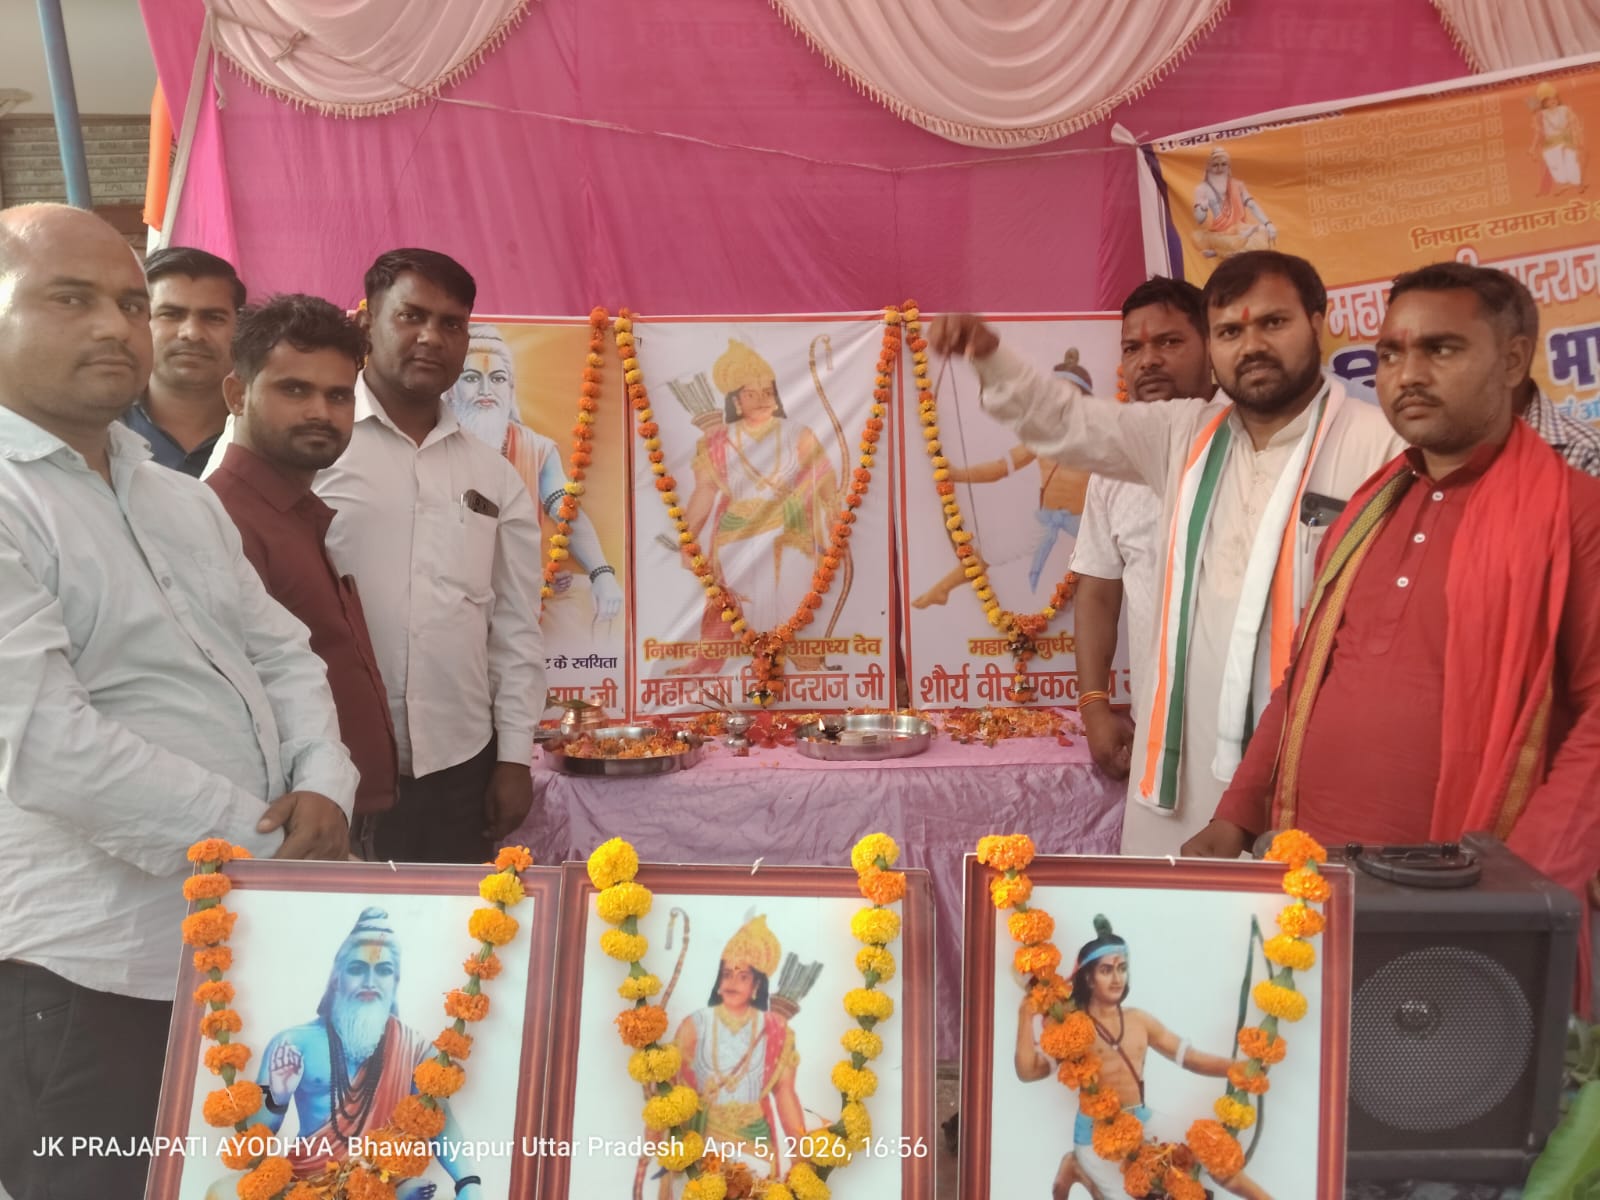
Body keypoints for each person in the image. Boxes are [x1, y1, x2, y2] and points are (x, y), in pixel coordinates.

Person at [0, 203, 355, 1200]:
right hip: (94, 970)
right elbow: (49, 746)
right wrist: (262, 841)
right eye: (70, 299)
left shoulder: (179, 496)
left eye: (127, 303)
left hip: (244, 943)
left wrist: (324, 781)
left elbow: (280, 652)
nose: (116, 327)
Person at [1186, 261, 1600, 1017]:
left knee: (1436, 1085)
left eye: (1441, 349)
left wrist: (1524, 881)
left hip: (1462, 908)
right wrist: (1236, 812)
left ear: (1513, 359)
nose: (1407, 374)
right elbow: (1307, 675)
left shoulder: (1575, 515)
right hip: (1310, 881)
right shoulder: (1368, 508)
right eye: (1389, 353)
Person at [928, 252, 1403, 856]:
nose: (1251, 346)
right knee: (1163, 913)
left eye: (1273, 323)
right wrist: (990, 356)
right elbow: (1067, 423)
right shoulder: (1182, 434)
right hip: (1178, 771)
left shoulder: (1382, 447)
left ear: (1317, 322)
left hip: (1308, 774)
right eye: (1230, 332)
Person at [307, 250, 545, 865]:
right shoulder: (309, 441)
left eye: (451, 323)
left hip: (460, 770)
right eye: (411, 316)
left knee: (460, 925)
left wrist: (514, 757)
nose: (431, 337)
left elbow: (515, 624)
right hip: (325, 761)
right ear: (367, 323)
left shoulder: (493, 475)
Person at [207, 296, 398, 854]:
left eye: (338, 395)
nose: (320, 411)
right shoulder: (222, 520)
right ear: (237, 394)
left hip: (332, 811)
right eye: (294, 389)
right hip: (286, 827)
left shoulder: (293, 512)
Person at [1015, 918, 1269, 1200]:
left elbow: (1190, 1058)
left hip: (1141, 1119)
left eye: (1122, 969)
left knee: (1212, 1150)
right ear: (1088, 978)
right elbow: (1029, 1072)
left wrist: (1236, 1069)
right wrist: (1025, 1016)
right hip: (1096, 1135)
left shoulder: (1139, 1021)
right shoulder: (1074, 1029)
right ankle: (1078, 1167)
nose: (1117, 979)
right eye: (1106, 970)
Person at [1072, 278, 1213, 785]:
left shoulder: (1253, 444)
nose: (1148, 361)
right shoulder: (1115, 464)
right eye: (1133, 348)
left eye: (1169, 342)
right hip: (1157, 725)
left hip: (1256, 727)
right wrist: (1094, 708)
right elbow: (1098, 590)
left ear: (1212, 345)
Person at [240, 909, 480, 1197]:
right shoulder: (293, 1044)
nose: (370, 981)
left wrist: (467, 1182)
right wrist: (277, 1098)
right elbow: (253, 1138)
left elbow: (439, 1118)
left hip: (379, 1184)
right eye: (357, 968)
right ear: (336, 978)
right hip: (308, 1183)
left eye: (384, 970)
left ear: (395, 981)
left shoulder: (413, 1047)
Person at [445, 324, 625, 649]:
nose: (486, 389)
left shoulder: (536, 448)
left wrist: (602, 572)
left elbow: (566, 511)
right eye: (471, 378)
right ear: (450, 390)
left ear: (510, 388)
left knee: (583, 604)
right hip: (446, 596)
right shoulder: (434, 447)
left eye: (497, 378)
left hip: (521, 596)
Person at [670, 340, 840, 678]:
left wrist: (835, 516)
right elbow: (705, 491)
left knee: (795, 599)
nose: (762, 399)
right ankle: (747, 667)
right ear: (736, 400)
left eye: (768, 391)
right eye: (752, 393)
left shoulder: (797, 433)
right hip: (737, 532)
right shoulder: (717, 441)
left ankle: (798, 659)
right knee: (740, 606)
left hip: (791, 528)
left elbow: (824, 478)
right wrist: (688, 539)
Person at [912, 350, 1093, 609]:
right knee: (992, 549)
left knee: (1097, 570)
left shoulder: (1097, 438)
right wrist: (958, 474)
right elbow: (1000, 468)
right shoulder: (1040, 438)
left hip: (1086, 526)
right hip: (1045, 520)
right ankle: (942, 589)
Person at [672, 915, 809, 1185]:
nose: (732, 981)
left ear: (756, 986)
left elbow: (785, 1094)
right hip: (705, 1138)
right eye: (727, 974)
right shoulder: (695, 1024)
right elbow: (670, 1085)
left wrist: (801, 1158)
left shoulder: (777, 1031)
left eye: (743, 976)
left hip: (755, 1140)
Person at [122, 246, 244, 475]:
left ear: (240, 328)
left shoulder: (266, 433)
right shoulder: (99, 426)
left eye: (213, 317)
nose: (192, 333)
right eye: (171, 314)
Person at [1506, 273, 1600, 476]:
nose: (1437, 371)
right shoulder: (1438, 450)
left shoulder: (1586, 456)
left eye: (1444, 350)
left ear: (1513, 360)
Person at [1191, 147, 1277, 259]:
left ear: (1228, 166)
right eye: (1215, 165)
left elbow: (1252, 205)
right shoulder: (1202, 188)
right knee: (1198, 238)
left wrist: (1268, 224)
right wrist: (1202, 208)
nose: (1220, 168)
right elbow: (1199, 219)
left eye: (1223, 164)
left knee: (1262, 232)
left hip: (1239, 228)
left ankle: (1221, 251)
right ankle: (1232, 248)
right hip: (1220, 232)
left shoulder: (1238, 185)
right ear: (1209, 167)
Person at [1529, 80, 1585, 195]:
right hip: (1550, 144)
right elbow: (1539, 132)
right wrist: (1533, 148)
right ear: (1543, 103)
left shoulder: (1565, 109)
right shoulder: (1541, 115)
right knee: (1555, 166)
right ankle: (1564, 184)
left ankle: (1578, 184)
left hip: (1566, 140)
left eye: (1554, 98)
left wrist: (1578, 139)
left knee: (1571, 161)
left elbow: (1574, 125)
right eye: (1548, 100)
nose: (1552, 101)